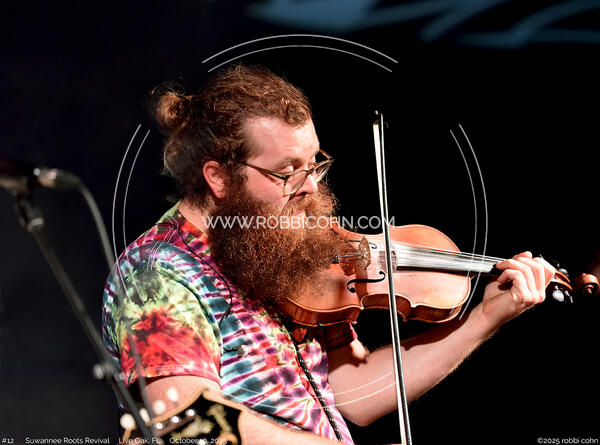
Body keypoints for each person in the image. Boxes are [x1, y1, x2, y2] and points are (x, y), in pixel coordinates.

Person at [102, 64, 555, 444]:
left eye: (314, 163)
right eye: (287, 172)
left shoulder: (274, 247)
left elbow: (355, 390)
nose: (312, 186)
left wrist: (483, 319)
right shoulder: (159, 272)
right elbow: (184, 420)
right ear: (218, 177)